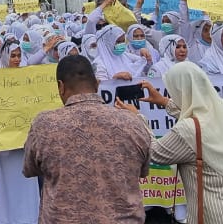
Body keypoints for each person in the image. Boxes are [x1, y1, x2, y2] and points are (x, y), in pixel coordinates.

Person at [118, 62, 223, 224]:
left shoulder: (188, 130)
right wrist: (166, 102)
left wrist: (138, 119)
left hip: (221, 217)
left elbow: (154, 152)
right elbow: (203, 117)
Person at [24, 55, 151, 224]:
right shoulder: (132, 122)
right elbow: (143, 170)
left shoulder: (44, 125)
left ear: (61, 87)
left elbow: (29, 168)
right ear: (98, 84)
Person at [0, 43, 40, 224]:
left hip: (26, 142)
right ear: (5, 57)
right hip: (6, 143)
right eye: (13, 56)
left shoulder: (28, 77)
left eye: (19, 55)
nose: (17, 59)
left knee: (29, 181)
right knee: (9, 184)